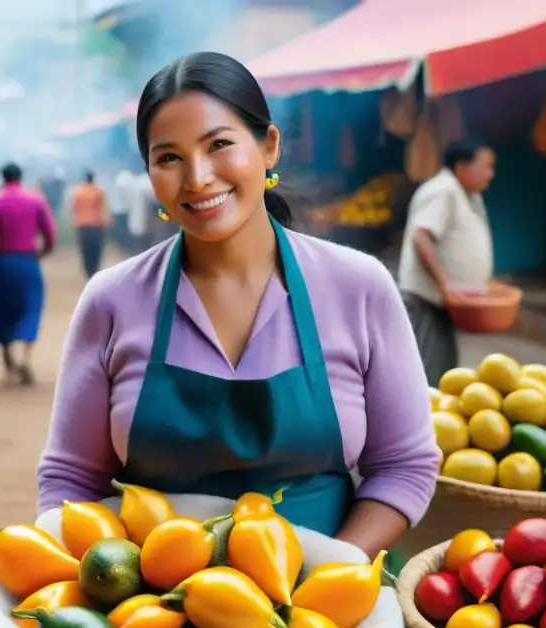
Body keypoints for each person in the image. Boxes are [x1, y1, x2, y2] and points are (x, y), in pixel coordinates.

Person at [38, 51, 438, 583]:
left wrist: (334, 567)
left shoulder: (358, 286)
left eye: (219, 145)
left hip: (322, 609)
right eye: (169, 158)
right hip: (151, 609)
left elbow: (404, 466)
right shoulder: (112, 300)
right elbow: (71, 476)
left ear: (268, 146)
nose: (198, 178)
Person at [399, 138, 496, 386]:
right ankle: (426, 423)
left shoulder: (466, 193)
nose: (491, 173)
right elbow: (421, 237)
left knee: (445, 368)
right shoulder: (444, 191)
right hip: (427, 300)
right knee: (428, 372)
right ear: (463, 167)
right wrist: (445, 285)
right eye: (486, 166)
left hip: (443, 302)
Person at [0, 163, 57, 385]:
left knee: (1, 311)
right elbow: (50, 234)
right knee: (29, 308)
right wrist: (41, 253)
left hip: (2, 262)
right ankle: (25, 357)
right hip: (27, 261)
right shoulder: (36, 200)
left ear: (2, 178)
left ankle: (8, 358)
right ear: (20, 177)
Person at [71, 170, 110, 279]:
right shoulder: (98, 191)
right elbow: (103, 208)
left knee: (85, 250)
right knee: (96, 250)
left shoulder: (78, 192)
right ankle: (95, 270)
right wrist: (106, 222)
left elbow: (74, 209)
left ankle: (88, 271)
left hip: (82, 226)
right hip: (96, 225)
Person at [125, 169, 155, 253]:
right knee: (145, 243)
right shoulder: (144, 186)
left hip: (138, 223)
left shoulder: (134, 187)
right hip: (144, 223)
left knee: (141, 243)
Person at [110, 166, 135, 250]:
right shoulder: (125, 181)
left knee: (122, 230)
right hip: (123, 211)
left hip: (120, 211)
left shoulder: (119, 182)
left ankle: (123, 245)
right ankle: (124, 245)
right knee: (123, 230)